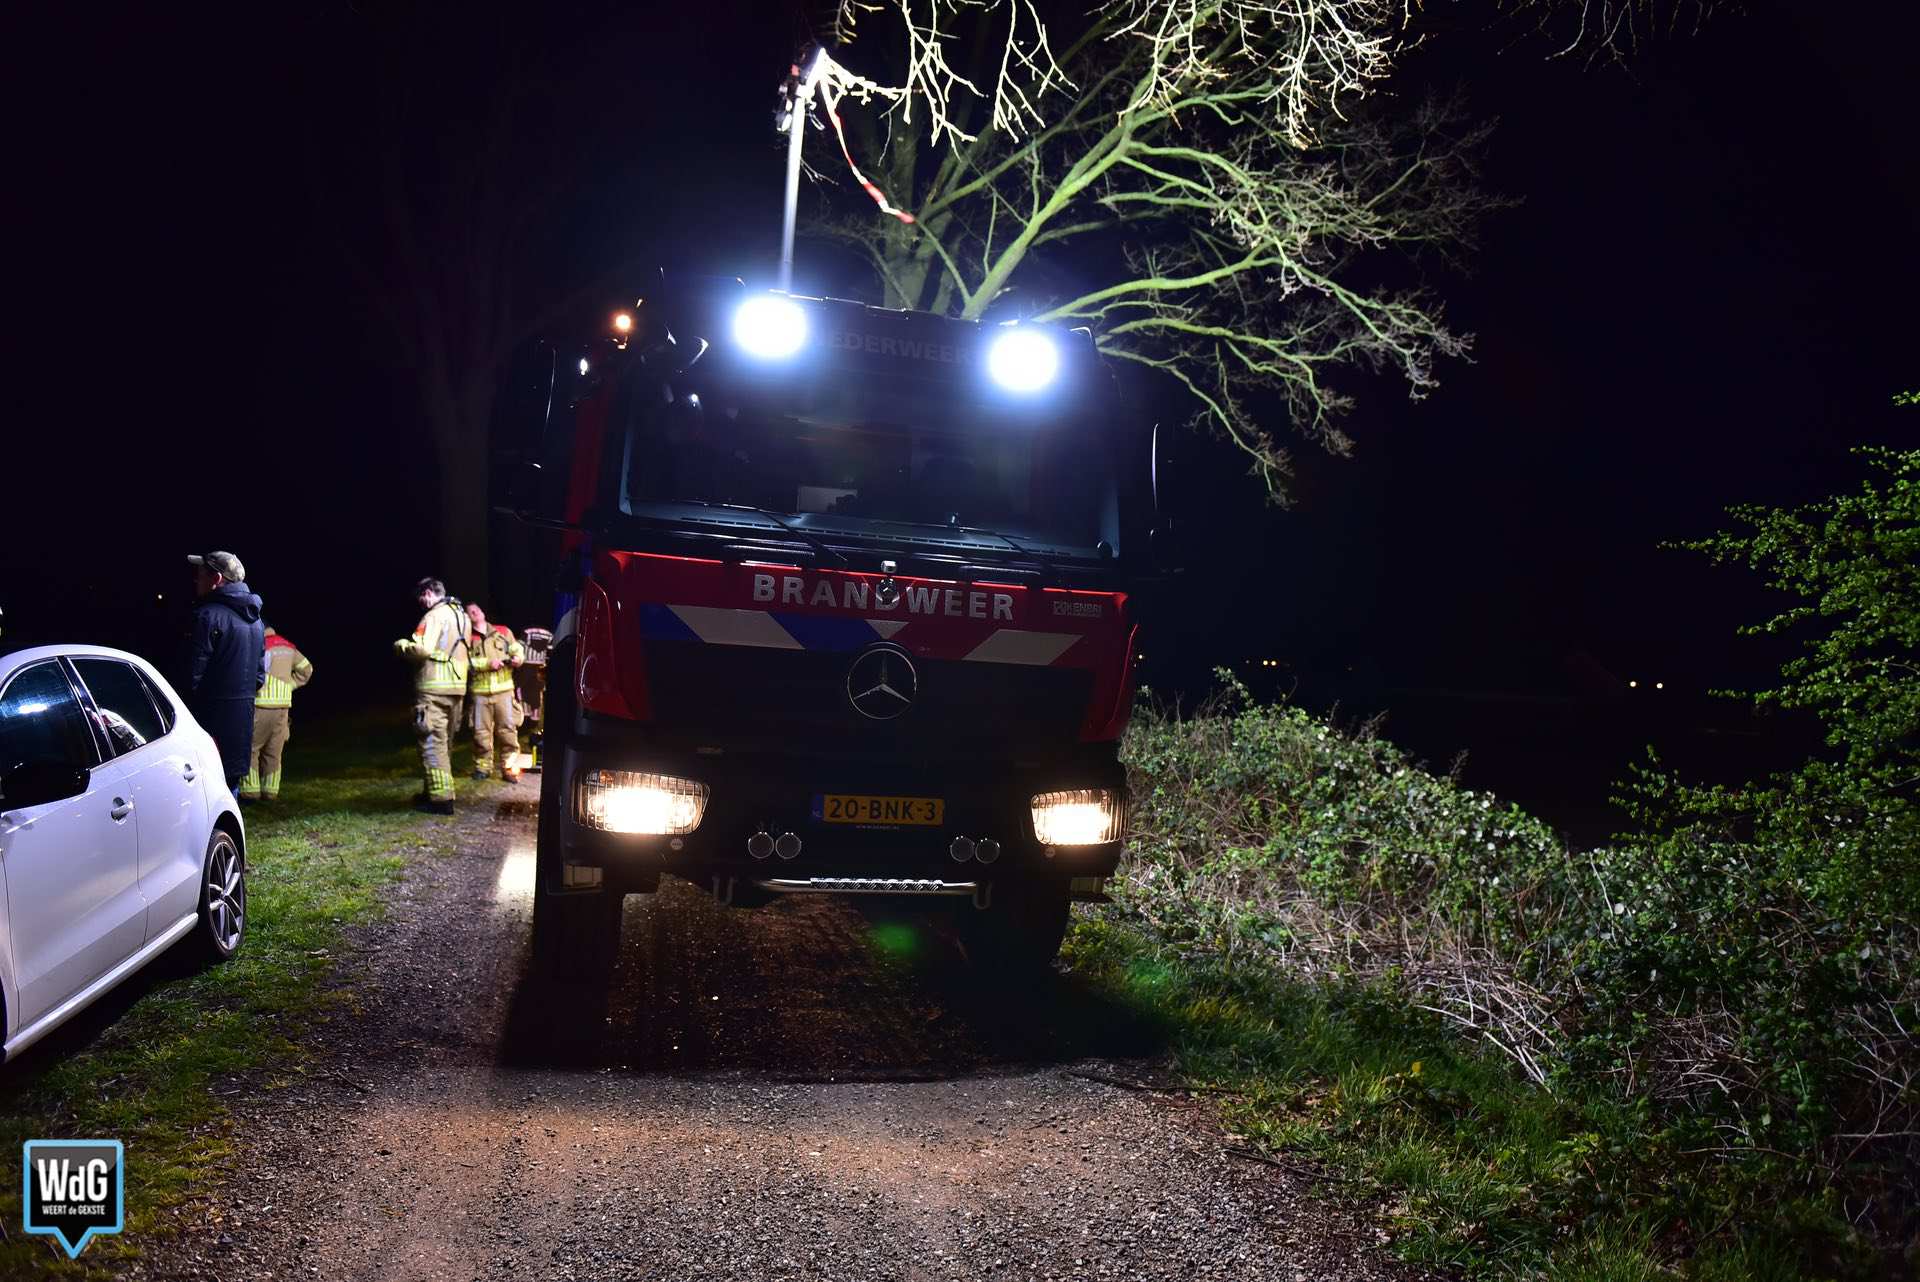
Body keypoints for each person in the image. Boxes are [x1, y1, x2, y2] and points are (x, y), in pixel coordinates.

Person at [186, 551, 266, 793]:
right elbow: (259, 678)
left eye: (201, 574)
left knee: (204, 797)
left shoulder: (206, 617)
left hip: (208, 728)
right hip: (241, 728)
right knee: (229, 796)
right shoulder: (256, 622)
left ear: (217, 579)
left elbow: (190, 678)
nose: (196, 580)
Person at [393, 577, 468, 814]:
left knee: (431, 743)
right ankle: (431, 792)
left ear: (427, 593)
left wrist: (401, 645)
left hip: (433, 688)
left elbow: (422, 649)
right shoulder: (462, 616)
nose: (421, 603)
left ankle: (441, 800)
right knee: (444, 742)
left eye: (421, 598)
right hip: (457, 687)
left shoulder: (434, 615)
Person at [240, 625, 313, 802]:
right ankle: (270, 792)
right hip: (282, 707)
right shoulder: (288, 647)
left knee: (251, 749)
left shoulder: (259, 646)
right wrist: (289, 687)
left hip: (260, 705)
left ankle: (250, 792)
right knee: (274, 751)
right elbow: (307, 670)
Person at [464, 601, 525, 781]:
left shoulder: (503, 631)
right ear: (467, 617)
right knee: (480, 732)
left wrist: (517, 659)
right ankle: (483, 767)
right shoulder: (467, 638)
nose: (474, 613)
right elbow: (465, 663)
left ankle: (509, 768)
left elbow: (517, 649)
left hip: (504, 691)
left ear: (482, 612)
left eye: (476, 609)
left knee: (508, 730)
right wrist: (487, 664)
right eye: (470, 612)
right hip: (480, 693)